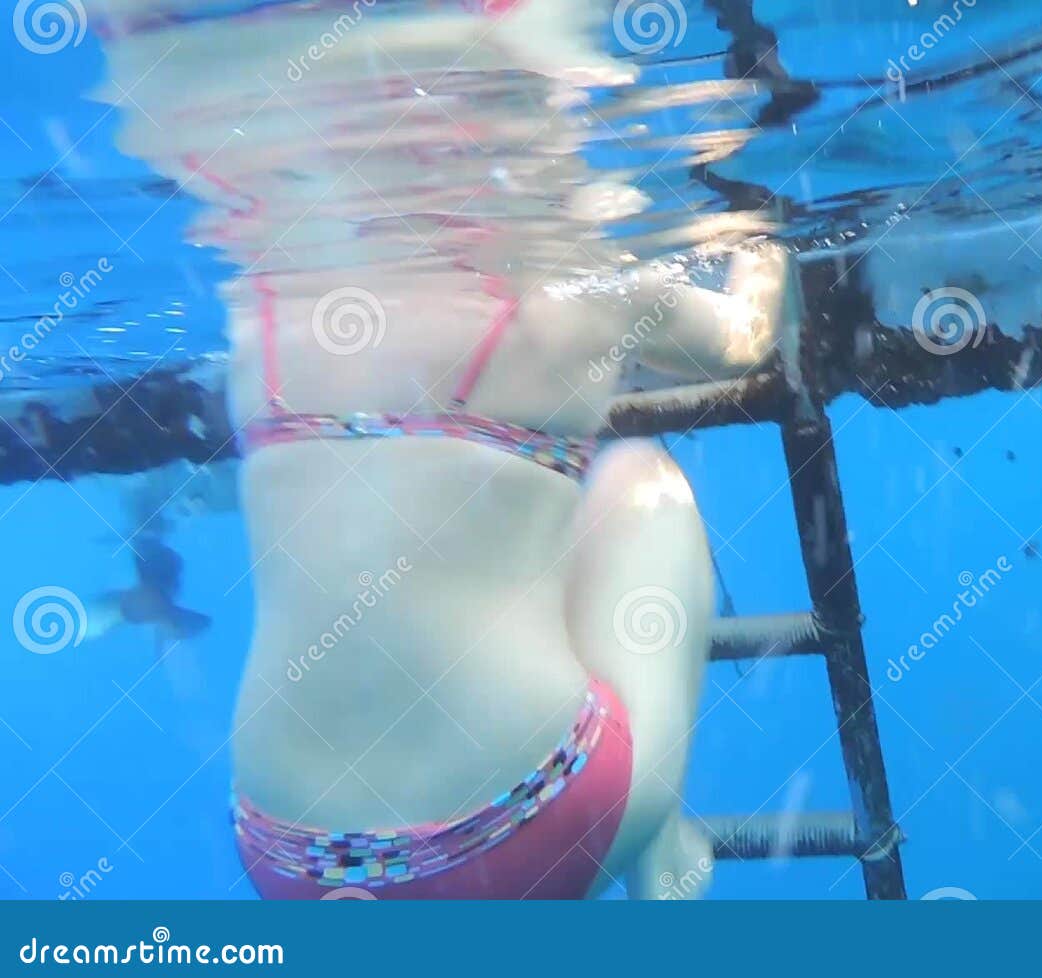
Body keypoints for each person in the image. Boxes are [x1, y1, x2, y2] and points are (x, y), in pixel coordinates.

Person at [88, 0, 789, 898]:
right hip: (526, 825)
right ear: (525, 133)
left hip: (293, 864)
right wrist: (760, 232)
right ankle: (656, 845)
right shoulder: (589, 288)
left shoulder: (267, 312)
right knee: (637, 475)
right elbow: (743, 339)